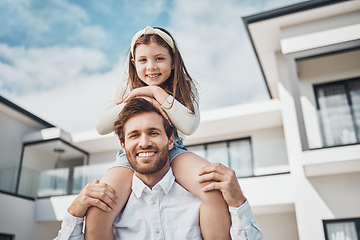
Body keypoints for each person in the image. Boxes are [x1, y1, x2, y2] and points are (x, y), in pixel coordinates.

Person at [86, 26, 232, 240]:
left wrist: (156, 92)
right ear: (134, 64)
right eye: (143, 60)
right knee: (100, 205)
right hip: (130, 158)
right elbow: (101, 126)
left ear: (173, 62)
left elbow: (189, 126)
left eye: (159, 59)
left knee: (211, 187)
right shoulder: (127, 86)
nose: (151, 67)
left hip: (174, 151)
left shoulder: (185, 86)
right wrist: (140, 98)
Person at [54, 98, 264, 239]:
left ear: (171, 140)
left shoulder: (205, 199)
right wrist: (74, 213)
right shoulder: (106, 207)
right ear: (122, 146)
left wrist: (238, 202)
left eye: (153, 132)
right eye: (134, 135)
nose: (144, 143)